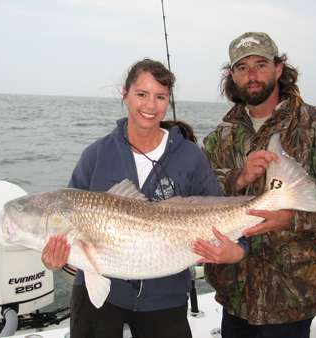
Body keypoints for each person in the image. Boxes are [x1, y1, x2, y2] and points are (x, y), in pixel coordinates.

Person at [193, 32, 316, 337]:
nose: (252, 75)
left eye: (260, 65)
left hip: (293, 296)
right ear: (233, 76)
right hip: (234, 293)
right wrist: (238, 177)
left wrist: (293, 218)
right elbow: (198, 194)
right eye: (242, 68)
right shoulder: (219, 137)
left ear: (278, 69)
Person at [41, 58, 224, 338]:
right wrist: (52, 258)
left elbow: (223, 213)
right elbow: (65, 219)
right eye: (141, 94)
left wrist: (238, 250)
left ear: (168, 101)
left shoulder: (190, 156)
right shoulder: (96, 155)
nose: (150, 106)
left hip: (166, 295)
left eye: (160, 97)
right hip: (96, 294)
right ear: (125, 94)